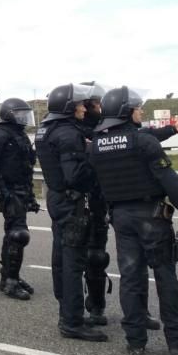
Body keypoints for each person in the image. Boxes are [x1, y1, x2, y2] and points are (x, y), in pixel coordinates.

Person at [90, 87, 178, 355]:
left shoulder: (96, 144)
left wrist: (173, 129)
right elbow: (169, 180)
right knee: (166, 278)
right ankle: (176, 344)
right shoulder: (142, 142)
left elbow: (136, 140)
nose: (141, 112)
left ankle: (136, 342)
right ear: (128, 112)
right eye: (138, 108)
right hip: (151, 216)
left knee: (130, 278)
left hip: (120, 218)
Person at [34, 83, 106, 341]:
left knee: (61, 259)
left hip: (57, 198)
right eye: (78, 104)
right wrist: (93, 159)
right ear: (67, 106)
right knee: (73, 262)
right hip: (72, 201)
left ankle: (67, 312)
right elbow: (75, 175)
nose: (82, 108)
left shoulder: (45, 129)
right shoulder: (67, 133)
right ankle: (72, 322)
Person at [0, 98, 40, 301]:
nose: (24, 118)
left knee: (13, 234)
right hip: (10, 190)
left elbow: (25, 167)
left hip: (21, 189)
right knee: (18, 234)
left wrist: (30, 196)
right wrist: (2, 190)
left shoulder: (19, 134)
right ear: (9, 114)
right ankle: (10, 281)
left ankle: (9, 277)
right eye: (20, 114)